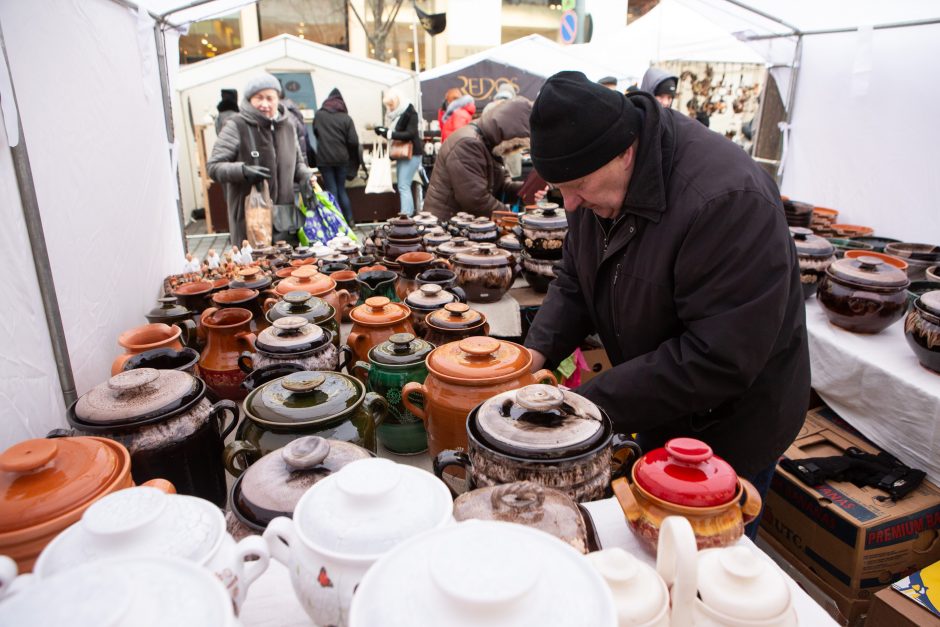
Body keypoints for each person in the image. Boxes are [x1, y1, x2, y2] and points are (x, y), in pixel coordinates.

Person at [523, 71, 809, 539]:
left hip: (731, 424)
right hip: (660, 400)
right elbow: (576, 279)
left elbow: (717, 359)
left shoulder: (727, 200)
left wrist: (584, 406)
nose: (570, 204)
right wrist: (533, 354)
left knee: (704, 566)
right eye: (560, 189)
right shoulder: (597, 187)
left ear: (624, 150)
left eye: (577, 186)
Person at [207, 73, 314, 246]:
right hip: (250, 219)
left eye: (270, 98)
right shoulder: (236, 125)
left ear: (277, 99)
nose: (265, 104)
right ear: (250, 100)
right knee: (254, 269)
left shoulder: (288, 125)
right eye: (259, 98)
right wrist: (243, 171)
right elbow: (214, 167)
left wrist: (305, 176)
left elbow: (298, 163)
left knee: (285, 269)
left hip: (284, 221)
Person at [423, 96, 531, 221]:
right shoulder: (468, 143)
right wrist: (511, 218)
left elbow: (500, 187)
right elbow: (475, 200)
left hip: (462, 225)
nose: (512, 149)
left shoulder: (488, 143)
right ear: (508, 132)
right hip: (446, 228)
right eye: (515, 144)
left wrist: (525, 191)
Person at [313, 88, 360, 225]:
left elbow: (316, 133)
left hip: (324, 158)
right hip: (342, 159)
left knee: (331, 190)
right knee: (341, 189)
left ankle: (337, 222)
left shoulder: (319, 115)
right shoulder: (346, 118)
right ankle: (350, 220)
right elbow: (353, 141)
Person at [374, 90, 423, 216]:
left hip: (411, 153)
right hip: (405, 154)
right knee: (404, 185)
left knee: (403, 185)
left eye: (391, 105)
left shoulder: (410, 112)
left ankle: (406, 216)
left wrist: (389, 133)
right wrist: (384, 131)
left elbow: (410, 133)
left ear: (397, 102)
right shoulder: (399, 114)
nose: (389, 108)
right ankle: (408, 215)